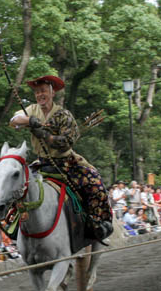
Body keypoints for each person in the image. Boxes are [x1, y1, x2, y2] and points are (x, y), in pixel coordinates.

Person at [9, 75, 113, 240]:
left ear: (52, 93)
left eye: (43, 91)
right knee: (15, 185)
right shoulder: (32, 109)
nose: (40, 95)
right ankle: (15, 224)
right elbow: (14, 121)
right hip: (42, 162)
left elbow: (65, 142)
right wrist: (30, 120)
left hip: (66, 162)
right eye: (37, 92)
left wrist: (44, 134)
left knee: (94, 183)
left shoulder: (64, 115)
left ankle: (99, 222)